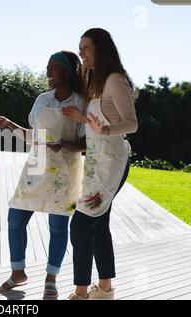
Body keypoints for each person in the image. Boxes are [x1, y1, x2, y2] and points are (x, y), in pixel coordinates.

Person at [0, 51, 86, 299]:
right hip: (37, 162)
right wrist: (9, 124)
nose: (47, 72)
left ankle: (51, 279)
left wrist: (64, 144)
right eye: (47, 67)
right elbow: (34, 137)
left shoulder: (81, 103)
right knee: (15, 217)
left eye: (53, 67)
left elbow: (88, 143)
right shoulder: (42, 100)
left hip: (65, 169)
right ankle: (18, 272)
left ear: (67, 72)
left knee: (57, 225)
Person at [62, 28, 138, 300]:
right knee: (98, 224)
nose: (81, 52)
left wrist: (104, 131)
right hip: (96, 161)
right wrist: (83, 121)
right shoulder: (97, 80)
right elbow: (101, 120)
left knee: (81, 225)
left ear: (100, 49)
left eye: (86, 48)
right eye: (80, 47)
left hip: (111, 163)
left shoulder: (115, 80)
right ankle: (104, 290)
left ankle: (81, 293)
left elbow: (132, 123)